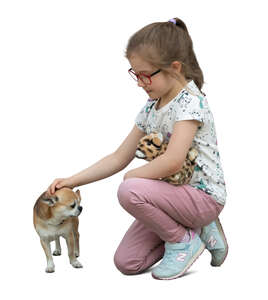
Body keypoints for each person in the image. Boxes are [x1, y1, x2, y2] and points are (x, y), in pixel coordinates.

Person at [47, 17, 228, 280]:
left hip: (203, 196)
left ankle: (184, 240)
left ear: (174, 68)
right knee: (127, 262)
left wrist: (133, 178)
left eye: (145, 75)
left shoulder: (190, 103)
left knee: (130, 188)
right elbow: (120, 156)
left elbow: (174, 161)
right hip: (173, 198)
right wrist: (72, 180)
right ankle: (197, 228)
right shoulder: (150, 109)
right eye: (135, 74)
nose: (140, 83)